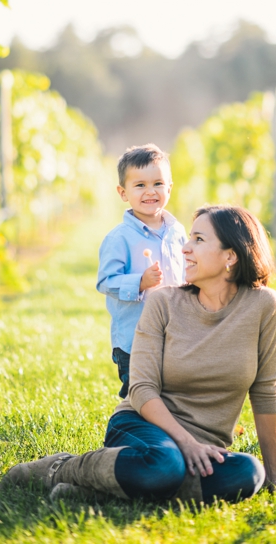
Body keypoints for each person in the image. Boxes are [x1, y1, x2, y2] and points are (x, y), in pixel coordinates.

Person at [2, 204, 276, 503]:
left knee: (247, 473)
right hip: (143, 426)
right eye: (188, 239)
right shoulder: (163, 302)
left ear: (231, 256)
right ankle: (61, 467)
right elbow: (141, 388)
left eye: (199, 240)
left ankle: (102, 490)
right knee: (164, 463)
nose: (185, 249)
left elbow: (265, 391)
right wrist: (186, 443)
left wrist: (275, 477)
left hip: (205, 444)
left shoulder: (264, 306)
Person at [97, 144, 187, 398]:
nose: (150, 192)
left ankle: (171, 431)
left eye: (158, 183)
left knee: (173, 391)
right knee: (140, 393)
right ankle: (133, 430)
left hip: (175, 333)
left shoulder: (177, 232)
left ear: (170, 187)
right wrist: (140, 282)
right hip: (134, 339)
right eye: (140, 185)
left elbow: (188, 273)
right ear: (123, 192)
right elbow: (106, 281)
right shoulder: (119, 238)